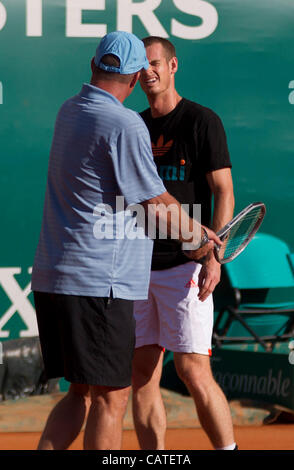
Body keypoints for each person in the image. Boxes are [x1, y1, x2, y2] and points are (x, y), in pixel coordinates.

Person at [31, 31, 219, 451]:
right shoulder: (124, 122)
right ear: (136, 78)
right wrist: (202, 241)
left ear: (93, 65)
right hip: (100, 284)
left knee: (79, 391)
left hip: (54, 280)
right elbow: (154, 202)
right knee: (111, 397)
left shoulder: (69, 110)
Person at [131, 36, 237, 450]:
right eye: (141, 67)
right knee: (141, 375)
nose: (148, 73)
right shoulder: (134, 125)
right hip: (138, 269)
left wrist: (215, 254)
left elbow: (223, 191)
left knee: (193, 370)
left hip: (186, 266)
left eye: (155, 63)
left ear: (173, 66)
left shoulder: (201, 121)